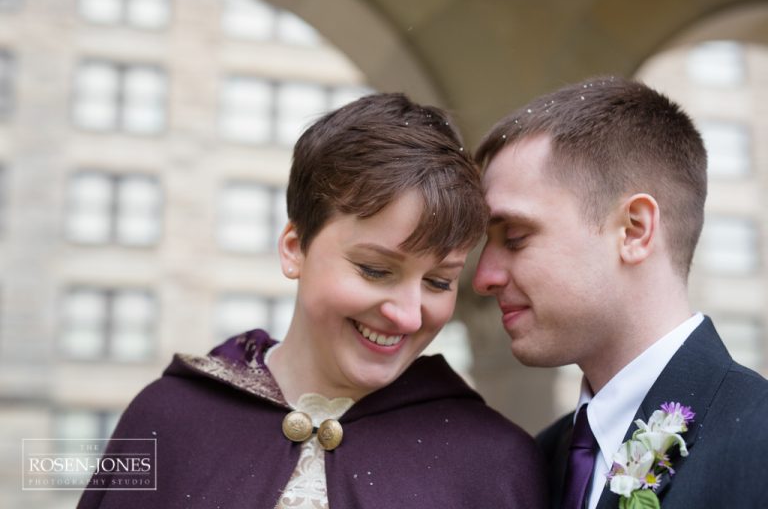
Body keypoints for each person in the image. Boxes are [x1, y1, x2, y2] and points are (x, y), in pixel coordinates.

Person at [77, 93, 546, 509]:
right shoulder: (169, 420)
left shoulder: (494, 463)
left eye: (439, 283)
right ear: (294, 247)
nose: (406, 314)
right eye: (375, 270)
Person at [472, 76, 768, 509]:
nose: (483, 277)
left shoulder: (758, 440)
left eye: (514, 237)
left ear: (634, 230)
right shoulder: (532, 464)